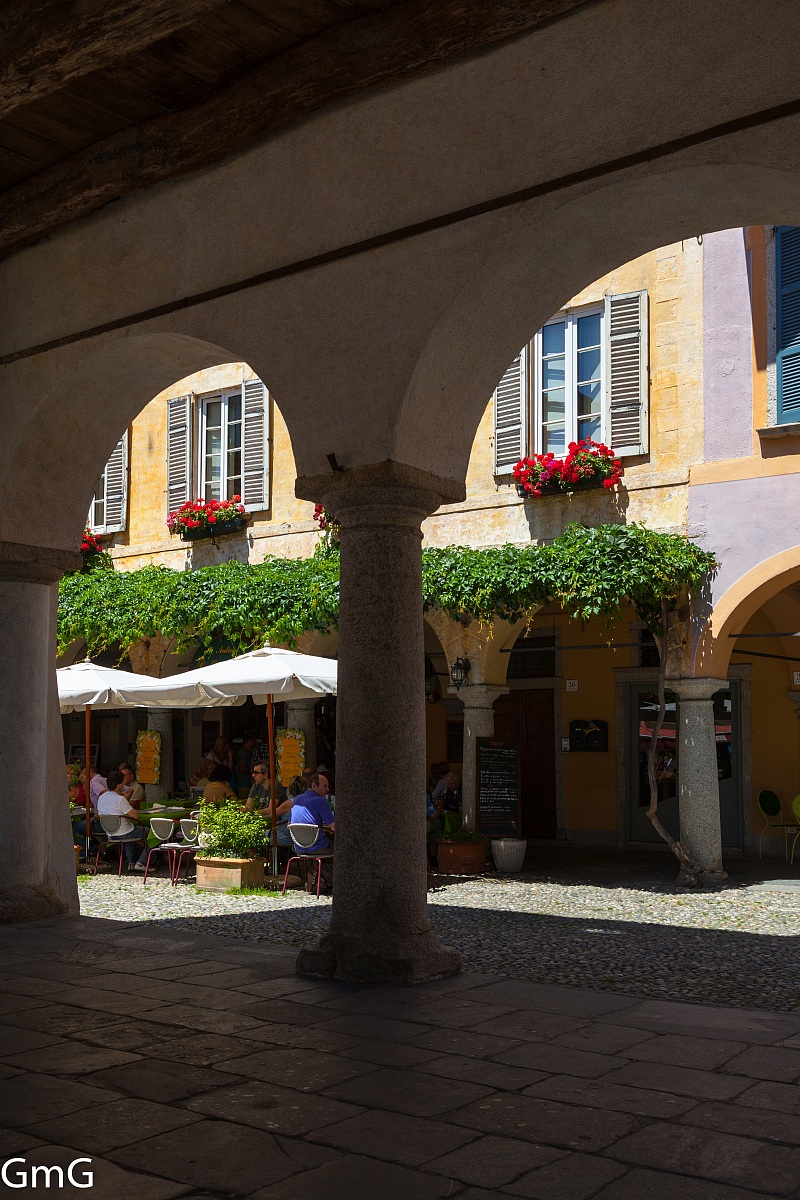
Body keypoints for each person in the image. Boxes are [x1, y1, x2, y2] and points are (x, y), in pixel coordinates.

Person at [289, 772, 335, 892]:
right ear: (314, 786)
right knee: (341, 849)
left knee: (324, 843)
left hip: (298, 846)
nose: (327, 789)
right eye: (324, 786)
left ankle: (318, 876)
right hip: (316, 846)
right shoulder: (321, 801)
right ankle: (322, 877)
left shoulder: (297, 799)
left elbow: (290, 824)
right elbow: (334, 827)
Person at [96, 770, 149, 870]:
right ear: (119, 785)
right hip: (124, 832)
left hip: (110, 833)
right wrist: (126, 799)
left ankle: (131, 862)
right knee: (152, 833)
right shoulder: (120, 799)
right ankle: (141, 862)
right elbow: (135, 815)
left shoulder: (101, 798)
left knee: (130, 829)